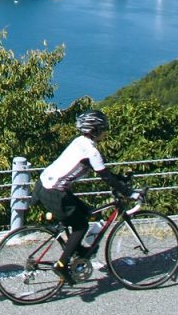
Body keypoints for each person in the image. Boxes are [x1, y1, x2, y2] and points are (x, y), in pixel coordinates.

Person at [32, 110, 134, 286]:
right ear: (94, 130)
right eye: (103, 128)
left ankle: (79, 251)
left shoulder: (79, 142)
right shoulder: (91, 151)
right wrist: (130, 193)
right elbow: (106, 177)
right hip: (55, 192)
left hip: (44, 185)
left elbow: (105, 173)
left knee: (86, 212)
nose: (105, 131)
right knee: (81, 226)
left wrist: (121, 180)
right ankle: (62, 265)